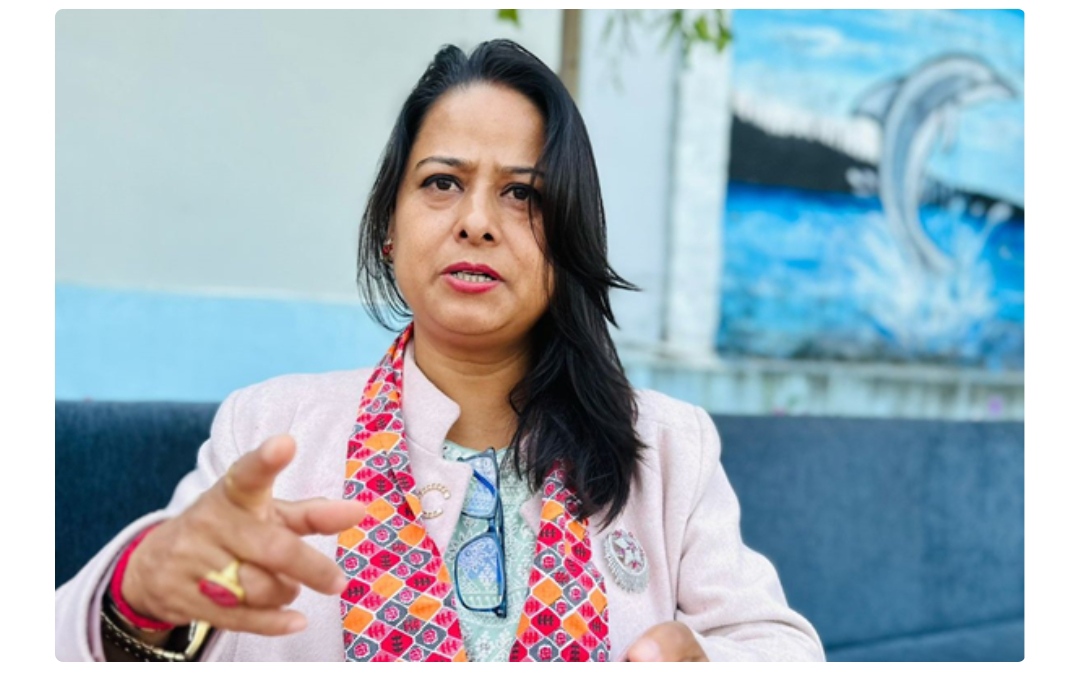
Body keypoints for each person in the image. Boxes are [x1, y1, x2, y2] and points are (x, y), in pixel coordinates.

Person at [55, 38, 824, 663]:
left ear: (569, 240)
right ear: (389, 229)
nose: (476, 221)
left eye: (522, 193)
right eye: (442, 182)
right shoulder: (269, 428)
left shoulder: (667, 445)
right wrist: (137, 596)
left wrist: (702, 659)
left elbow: (781, 648)